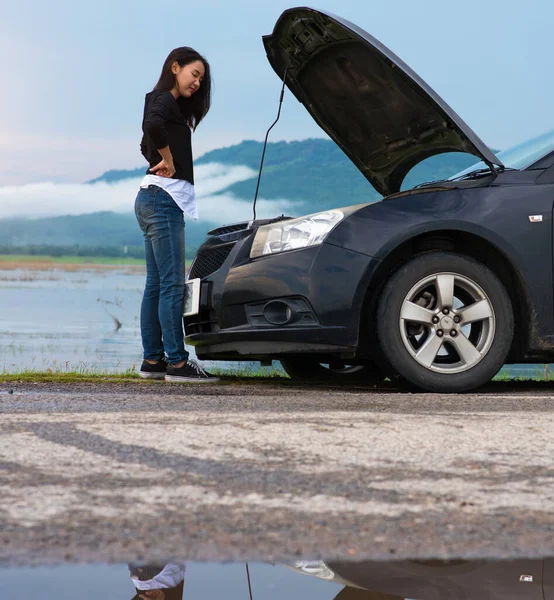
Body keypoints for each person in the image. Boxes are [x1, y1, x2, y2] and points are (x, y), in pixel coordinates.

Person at [135, 47, 219, 382]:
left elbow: (146, 143)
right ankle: (178, 363)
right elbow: (152, 127)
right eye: (194, 74)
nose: (197, 82)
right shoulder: (163, 100)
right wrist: (168, 159)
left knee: (156, 284)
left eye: (201, 78)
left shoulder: (160, 102)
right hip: (163, 199)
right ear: (175, 67)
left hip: (152, 197)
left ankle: (153, 362)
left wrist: (161, 154)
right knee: (170, 285)